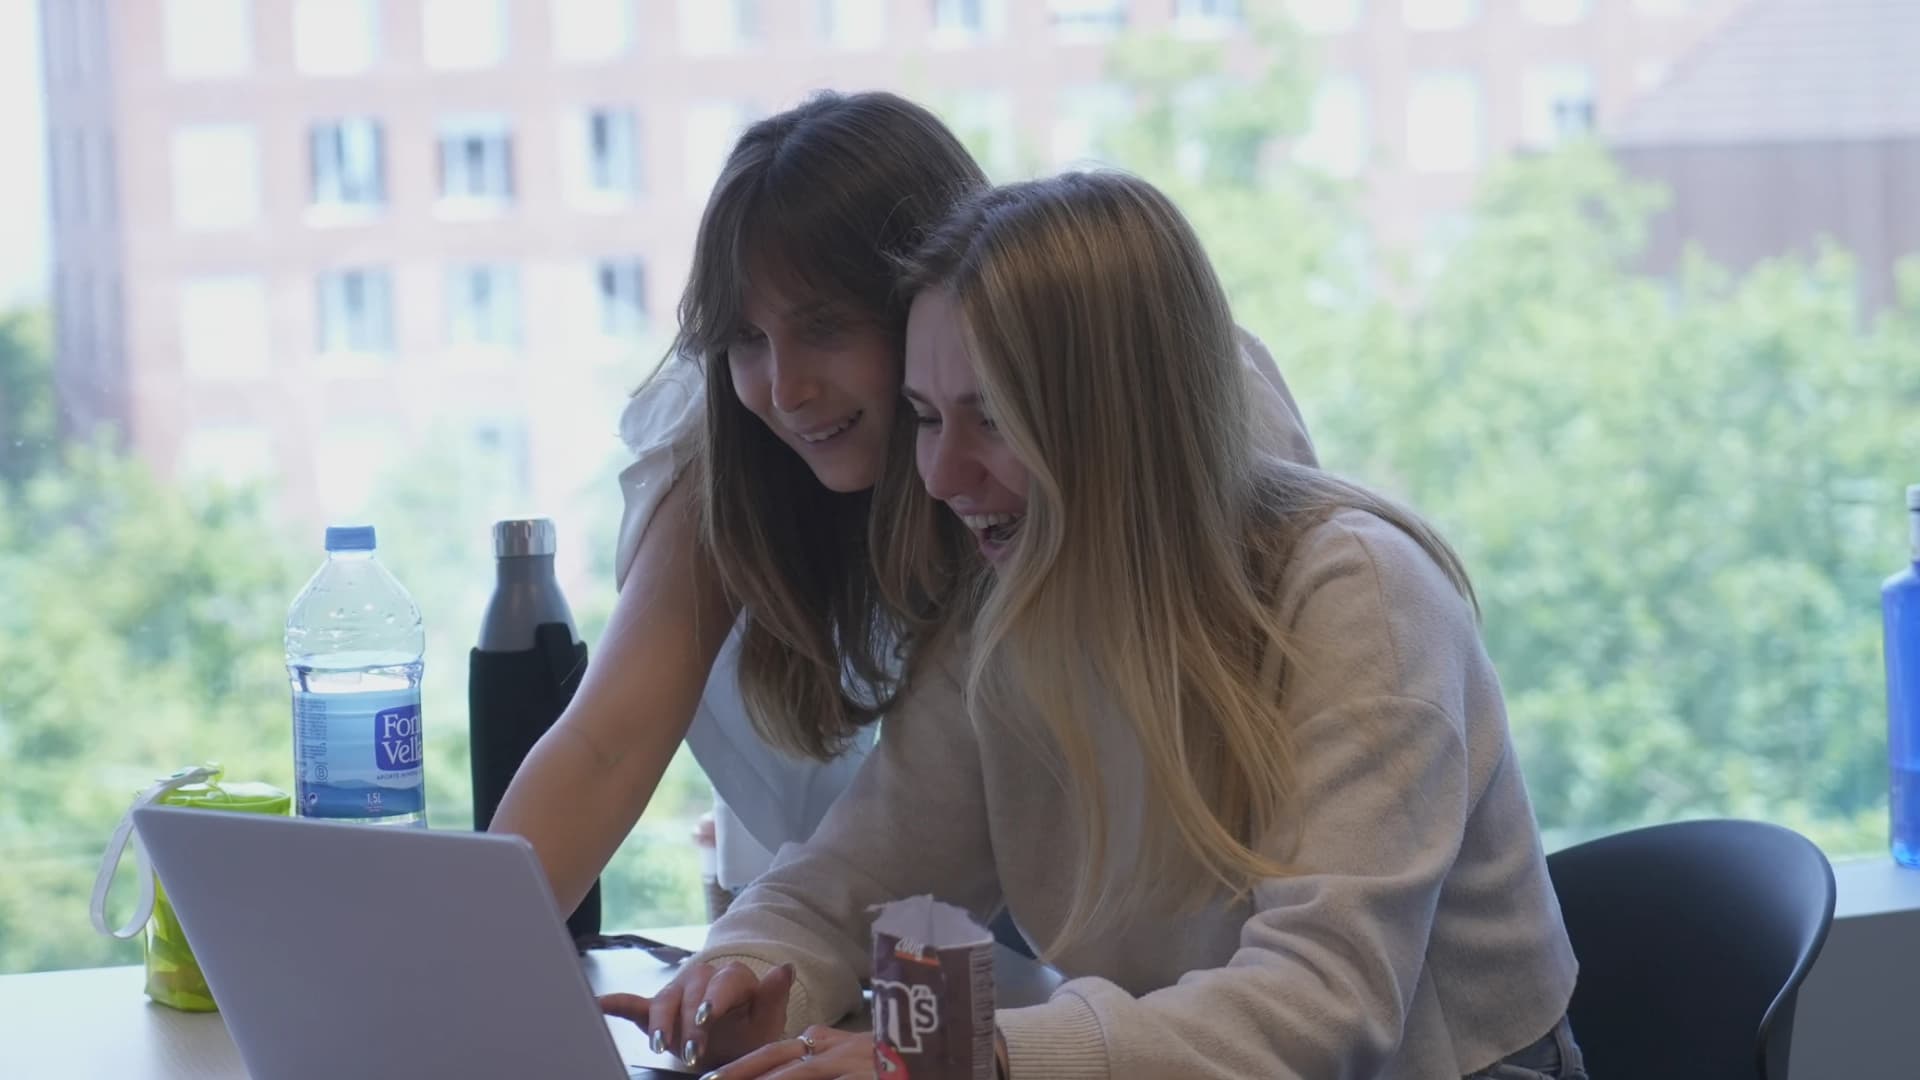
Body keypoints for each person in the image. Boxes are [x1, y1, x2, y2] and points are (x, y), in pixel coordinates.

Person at [602, 171, 1584, 1080]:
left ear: (1118, 420)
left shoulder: (1361, 594)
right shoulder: (1015, 602)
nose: (941, 477)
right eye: (927, 417)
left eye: (989, 418)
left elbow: (1326, 1006)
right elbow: (847, 880)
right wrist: (743, 971)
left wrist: (977, 1061)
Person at [488, 94, 1317, 915]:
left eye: (824, 327)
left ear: (933, 301)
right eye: (746, 340)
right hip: (886, 902)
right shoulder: (729, 465)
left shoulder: (1175, 399)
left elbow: (1278, 746)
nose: (784, 389)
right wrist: (462, 968)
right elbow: (605, 747)